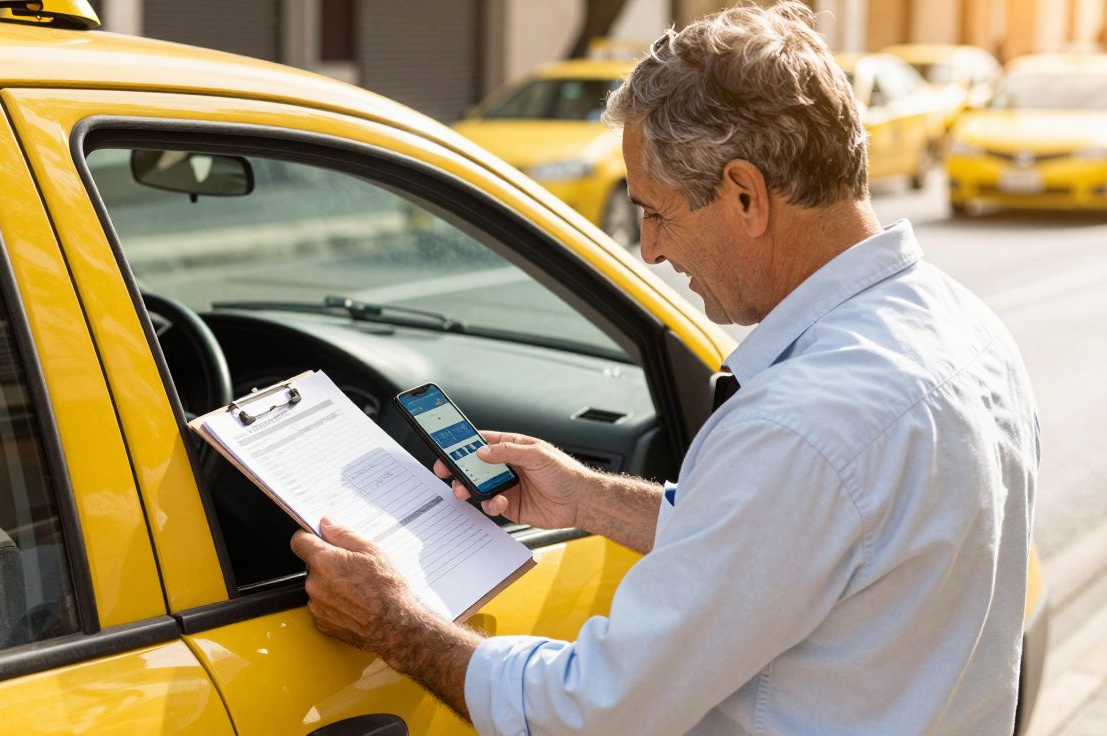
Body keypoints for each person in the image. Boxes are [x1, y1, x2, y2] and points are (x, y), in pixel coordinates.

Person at [289, 3, 1040, 733]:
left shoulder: (798, 425)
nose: (649, 249)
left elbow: (591, 713)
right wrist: (588, 499)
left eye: (657, 211)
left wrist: (396, 624)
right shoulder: (965, 331)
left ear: (745, 195)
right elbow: (798, 541)